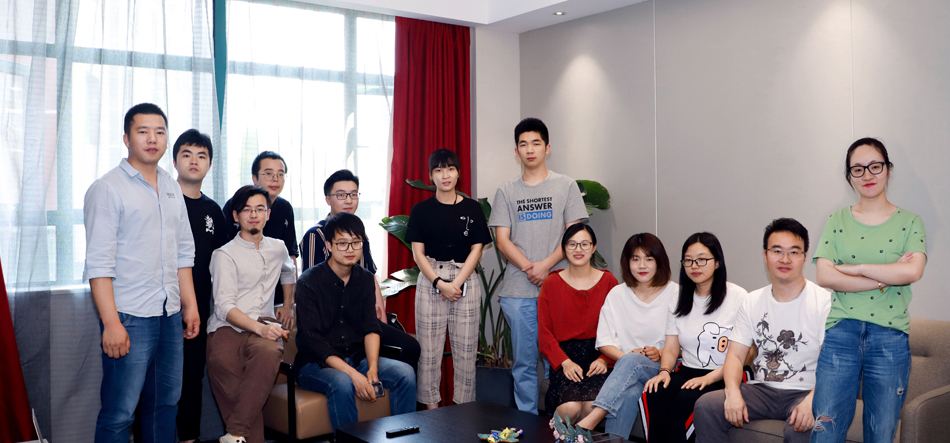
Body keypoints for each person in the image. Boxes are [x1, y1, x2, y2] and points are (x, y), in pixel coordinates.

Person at [83, 103, 199, 443]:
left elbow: (183, 252)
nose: (152, 139)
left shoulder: (171, 186)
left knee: (165, 405)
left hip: (169, 315)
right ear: (126, 138)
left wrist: (189, 305)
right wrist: (111, 323)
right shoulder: (107, 188)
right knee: (120, 413)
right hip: (129, 316)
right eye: (143, 131)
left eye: (160, 132)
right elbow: (99, 264)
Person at [810, 138, 927, 443]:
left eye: (875, 166)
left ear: (888, 169)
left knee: (881, 435)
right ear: (849, 176)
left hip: (890, 337)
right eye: (858, 169)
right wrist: (885, 278)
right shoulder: (837, 220)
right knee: (825, 432)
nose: (867, 175)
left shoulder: (910, 222)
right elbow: (825, 275)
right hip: (841, 334)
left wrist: (857, 267)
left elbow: (912, 271)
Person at [694, 218, 831, 443]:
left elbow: (831, 365)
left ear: (805, 257)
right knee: (707, 405)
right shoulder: (752, 301)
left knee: (800, 428)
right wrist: (732, 392)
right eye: (777, 251)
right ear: (765, 255)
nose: (785, 259)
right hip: (762, 390)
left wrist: (813, 401)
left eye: (794, 252)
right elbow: (735, 356)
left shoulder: (824, 302)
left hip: (805, 391)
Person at [488, 118, 589, 414]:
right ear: (516, 151)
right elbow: (502, 240)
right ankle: (528, 423)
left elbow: (574, 235)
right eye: (523, 144)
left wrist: (546, 265)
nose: (530, 150)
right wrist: (530, 268)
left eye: (536, 143)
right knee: (524, 363)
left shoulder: (566, 186)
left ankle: (557, 424)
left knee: (561, 361)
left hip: (560, 288)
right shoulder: (506, 190)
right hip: (518, 291)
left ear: (547, 148)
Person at [294, 212, 416, 432]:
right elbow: (314, 342)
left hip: (357, 358)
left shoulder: (366, 279)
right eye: (342, 243)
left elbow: (371, 327)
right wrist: (354, 375)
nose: (350, 249)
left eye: (356, 242)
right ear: (329, 245)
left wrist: (372, 369)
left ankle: (403, 437)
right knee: (343, 383)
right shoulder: (308, 283)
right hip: (316, 364)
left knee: (405, 374)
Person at [299, 169, 421, 372]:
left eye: (353, 194)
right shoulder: (316, 235)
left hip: (362, 317)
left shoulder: (360, 234)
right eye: (341, 195)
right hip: (332, 321)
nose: (348, 200)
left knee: (409, 347)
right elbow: (312, 282)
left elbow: (369, 274)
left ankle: (385, 384)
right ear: (328, 199)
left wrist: (379, 310)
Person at [206, 185, 296, 443]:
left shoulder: (278, 247)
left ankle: (234, 433)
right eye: (247, 210)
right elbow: (224, 307)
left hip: (264, 322)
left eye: (259, 209)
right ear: (236, 216)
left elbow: (289, 271)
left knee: (270, 350)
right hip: (226, 328)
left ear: (268, 214)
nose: (254, 215)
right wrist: (260, 329)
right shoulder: (224, 255)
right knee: (242, 397)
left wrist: (287, 304)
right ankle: (239, 434)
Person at [405, 150, 492, 408]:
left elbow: (477, 249)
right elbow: (418, 253)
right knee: (429, 354)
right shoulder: (420, 210)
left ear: (458, 173)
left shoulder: (472, 208)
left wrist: (456, 283)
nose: (446, 175)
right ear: (431, 175)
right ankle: (432, 413)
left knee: (466, 352)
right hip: (431, 278)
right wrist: (439, 284)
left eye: (451, 169)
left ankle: (463, 414)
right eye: (439, 170)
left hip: (465, 278)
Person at [642, 232, 748, 443]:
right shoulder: (679, 298)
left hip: (726, 374)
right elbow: (671, 348)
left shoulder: (738, 297)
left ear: (717, 262)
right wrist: (664, 371)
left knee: (686, 397)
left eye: (702, 259)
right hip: (688, 371)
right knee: (655, 391)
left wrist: (709, 378)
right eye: (688, 261)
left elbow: (747, 353)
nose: (694, 266)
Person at [576, 233, 679, 437]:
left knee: (632, 363)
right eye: (635, 259)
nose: (642, 265)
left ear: (659, 261)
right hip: (627, 370)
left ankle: (591, 420)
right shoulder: (617, 294)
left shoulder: (675, 293)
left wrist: (659, 352)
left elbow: (685, 342)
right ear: (627, 262)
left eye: (649, 259)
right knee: (630, 394)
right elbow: (604, 342)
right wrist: (629, 360)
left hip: (665, 368)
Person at [172, 129, 229, 443]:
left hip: (199, 309)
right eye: (187, 154)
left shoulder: (213, 211)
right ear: (174, 160)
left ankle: (189, 439)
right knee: (156, 384)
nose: (194, 161)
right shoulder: (162, 200)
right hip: (162, 307)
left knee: (192, 379)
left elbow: (221, 264)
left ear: (209, 164)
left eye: (201, 155)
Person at [537, 224, 619, 421]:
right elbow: (544, 333)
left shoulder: (609, 282)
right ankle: (557, 434)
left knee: (592, 407)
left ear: (594, 247)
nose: (578, 249)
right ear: (564, 248)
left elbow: (620, 329)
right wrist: (564, 362)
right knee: (570, 409)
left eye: (584, 244)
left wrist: (604, 359)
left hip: (600, 359)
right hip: (565, 361)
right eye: (572, 244)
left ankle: (577, 436)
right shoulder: (551, 283)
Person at [222, 151, 299, 308]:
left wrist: (290, 301)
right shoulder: (235, 205)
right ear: (254, 178)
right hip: (242, 295)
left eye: (280, 174)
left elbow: (290, 256)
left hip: (276, 293)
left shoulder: (285, 208)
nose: (275, 179)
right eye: (268, 173)